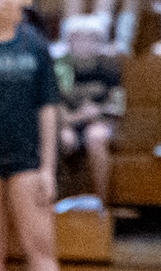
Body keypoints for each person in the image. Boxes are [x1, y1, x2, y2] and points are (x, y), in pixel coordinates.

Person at [0, 0, 60, 271]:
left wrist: (48, 169)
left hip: (27, 160)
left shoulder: (35, 44)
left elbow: (48, 108)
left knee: (41, 248)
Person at [55, 14, 124, 203]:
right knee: (63, 139)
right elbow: (55, 107)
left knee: (96, 137)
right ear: (68, 41)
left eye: (91, 39)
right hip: (68, 122)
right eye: (78, 38)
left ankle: (101, 202)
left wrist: (98, 113)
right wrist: (78, 117)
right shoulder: (60, 68)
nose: (84, 44)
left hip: (99, 122)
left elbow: (117, 105)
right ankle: (59, 200)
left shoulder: (109, 68)